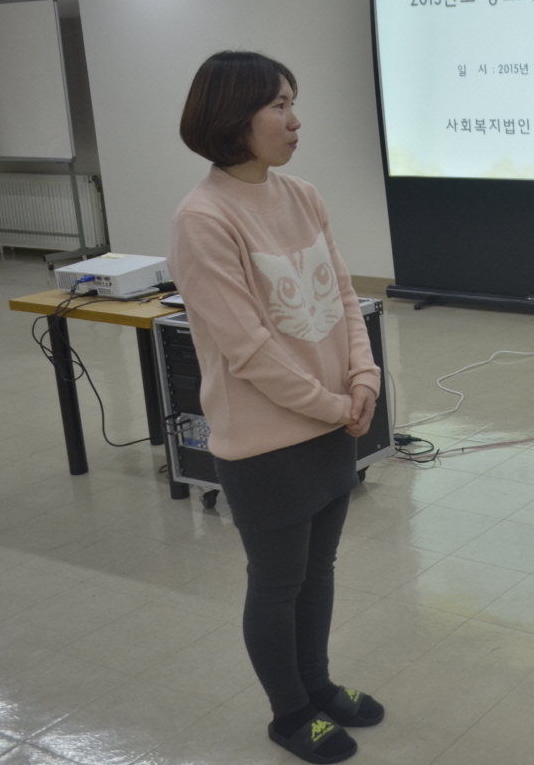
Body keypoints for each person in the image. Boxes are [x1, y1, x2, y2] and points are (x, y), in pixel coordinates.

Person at [169, 51, 384, 765]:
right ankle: (290, 713)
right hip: (266, 443)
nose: (295, 121)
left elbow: (344, 296)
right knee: (278, 581)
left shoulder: (303, 196)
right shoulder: (204, 218)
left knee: (318, 568)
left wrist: (363, 377)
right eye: (279, 106)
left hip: (333, 421)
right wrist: (332, 404)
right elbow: (249, 351)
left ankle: (317, 684)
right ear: (235, 118)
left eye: (293, 103)